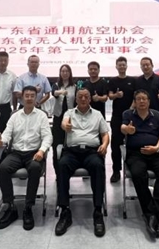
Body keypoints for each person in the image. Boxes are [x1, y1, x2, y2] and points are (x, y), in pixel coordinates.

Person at [0, 86, 53, 231]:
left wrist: (42, 151)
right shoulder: (15, 116)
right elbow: (7, 133)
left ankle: (28, 207)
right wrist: (2, 141)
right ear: (21, 98)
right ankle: (10, 206)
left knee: (34, 168)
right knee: (2, 168)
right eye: (26, 95)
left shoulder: (41, 116)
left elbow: (48, 137)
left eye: (32, 96)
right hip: (16, 153)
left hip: (34, 153)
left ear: (36, 98)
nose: (29, 98)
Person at [55, 89, 109, 237]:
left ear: (90, 99)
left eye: (86, 96)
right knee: (62, 165)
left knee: (98, 166)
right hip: (72, 152)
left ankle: (97, 211)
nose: (83, 99)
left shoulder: (97, 114)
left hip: (91, 152)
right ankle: (65, 211)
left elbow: (105, 134)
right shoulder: (69, 113)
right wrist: (65, 126)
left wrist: (104, 145)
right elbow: (64, 123)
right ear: (76, 99)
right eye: (80, 97)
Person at [122, 89, 159, 239]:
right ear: (135, 102)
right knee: (138, 174)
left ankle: (154, 212)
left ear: (149, 102)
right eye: (139, 99)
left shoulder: (156, 115)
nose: (142, 101)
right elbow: (122, 128)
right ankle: (151, 213)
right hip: (136, 154)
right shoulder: (128, 114)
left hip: (156, 152)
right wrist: (127, 130)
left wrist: (156, 147)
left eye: (144, 99)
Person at [107, 56, 136, 183]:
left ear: (126, 66)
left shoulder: (133, 80)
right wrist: (116, 95)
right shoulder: (113, 81)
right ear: (116, 66)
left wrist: (131, 109)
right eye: (120, 65)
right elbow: (110, 96)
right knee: (116, 145)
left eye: (124, 64)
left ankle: (132, 168)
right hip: (117, 117)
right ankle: (116, 171)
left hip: (132, 116)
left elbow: (136, 96)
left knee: (132, 143)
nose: (122, 67)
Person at [51, 64, 77, 177]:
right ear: (60, 73)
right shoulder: (56, 85)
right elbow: (54, 93)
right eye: (63, 71)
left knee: (70, 145)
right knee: (57, 145)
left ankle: (69, 171)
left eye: (67, 71)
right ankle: (58, 173)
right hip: (58, 118)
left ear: (70, 73)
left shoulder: (74, 86)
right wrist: (61, 92)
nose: (65, 73)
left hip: (71, 118)